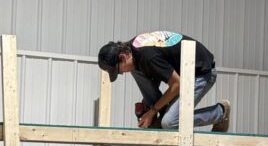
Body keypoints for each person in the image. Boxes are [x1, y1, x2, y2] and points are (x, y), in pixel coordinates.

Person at [97, 32, 231, 131]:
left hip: (201, 74)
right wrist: (148, 105)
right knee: (135, 70)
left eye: (118, 70)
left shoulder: (147, 56)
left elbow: (177, 84)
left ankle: (220, 112)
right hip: (182, 72)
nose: (120, 73)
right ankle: (162, 111)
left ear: (122, 57)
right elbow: (154, 74)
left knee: (169, 123)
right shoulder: (132, 49)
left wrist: (152, 111)